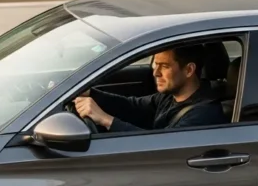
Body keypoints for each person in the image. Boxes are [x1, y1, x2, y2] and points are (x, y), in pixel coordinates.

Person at [72, 44, 226, 132]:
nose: (156, 73)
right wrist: (90, 93)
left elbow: (161, 147)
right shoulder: (170, 96)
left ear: (189, 70)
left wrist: (106, 120)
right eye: (155, 65)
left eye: (164, 66)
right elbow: (132, 107)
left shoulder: (203, 114)